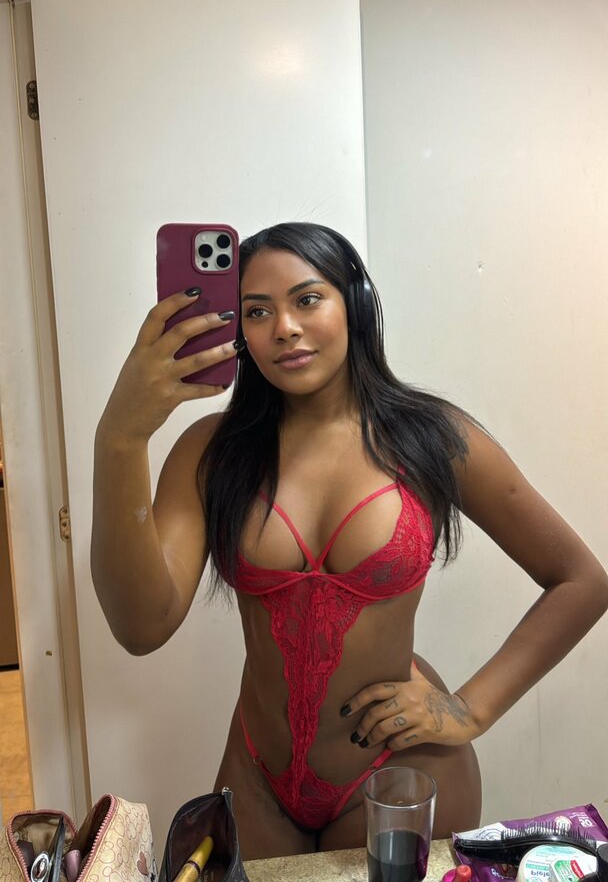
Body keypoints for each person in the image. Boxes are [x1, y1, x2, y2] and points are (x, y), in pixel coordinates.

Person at [91, 222, 608, 861]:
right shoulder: (211, 454)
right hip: (257, 777)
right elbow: (141, 627)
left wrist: (470, 710)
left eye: (307, 299)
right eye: (257, 311)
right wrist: (120, 438)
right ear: (239, 330)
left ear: (356, 303)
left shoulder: (433, 439)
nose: (284, 327)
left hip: (401, 770)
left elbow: (581, 581)